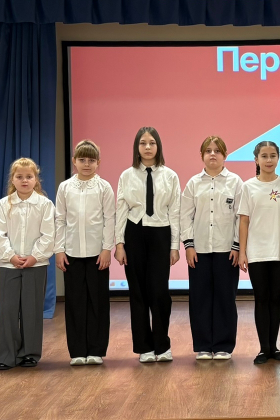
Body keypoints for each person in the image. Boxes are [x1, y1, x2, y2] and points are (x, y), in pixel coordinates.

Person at [115, 127, 180, 363]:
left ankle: (162, 345)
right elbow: (121, 210)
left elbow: (175, 211)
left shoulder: (170, 176)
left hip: (161, 233)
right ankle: (144, 347)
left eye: (152, 143)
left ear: (158, 146)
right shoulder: (127, 175)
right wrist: (119, 244)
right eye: (143, 143)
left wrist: (174, 246)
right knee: (138, 293)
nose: (148, 147)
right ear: (137, 147)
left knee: (160, 292)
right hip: (134, 233)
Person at [182, 135, 244, 360]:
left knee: (225, 298)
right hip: (199, 251)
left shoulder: (235, 182)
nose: (212, 154)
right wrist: (188, 245)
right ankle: (203, 345)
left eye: (217, 151)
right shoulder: (193, 183)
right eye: (208, 150)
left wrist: (237, 246)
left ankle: (223, 346)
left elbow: (240, 217)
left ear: (225, 155)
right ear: (202, 155)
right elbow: (185, 216)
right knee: (200, 299)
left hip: (227, 250)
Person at [55, 140, 116, 366]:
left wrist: (106, 248)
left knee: (97, 302)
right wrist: (59, 250)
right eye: (82, 160)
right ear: (74, 161)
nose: (86, 164)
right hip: (71, 253)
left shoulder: (104, 187)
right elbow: (60, 219)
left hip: (97, 254)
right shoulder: (65, 187)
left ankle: (96, 350)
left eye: (91, 160)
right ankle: (78, 352)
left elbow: (110, 219)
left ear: (98, 162)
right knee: (75, 302)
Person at [0, 158, 56, 370]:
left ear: (36, 179)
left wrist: (34, 256)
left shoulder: (45, 205)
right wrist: (10, 256)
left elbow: (49, 235)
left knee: (32, 310)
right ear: (12, 179)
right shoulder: (2, 205)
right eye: (19, 177)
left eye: (29, 176)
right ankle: (6, 356)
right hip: (8, 265)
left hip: (36, 264)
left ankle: (29, 353)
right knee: (8, 310)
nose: (24, 180)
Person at [237, 141, 280, 365]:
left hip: (279, 250)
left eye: (272, 155)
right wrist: (243, 252)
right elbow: (244, 221)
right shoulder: (248, 187)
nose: (268, 160)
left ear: (278, 158)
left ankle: (274, 347)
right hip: (256, 252)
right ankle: (264, 349)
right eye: (264, 156)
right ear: (256, 159)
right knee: (261, 299)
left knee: (275, 298)